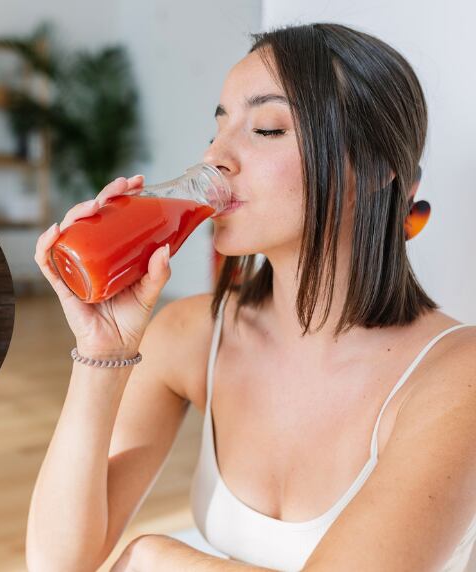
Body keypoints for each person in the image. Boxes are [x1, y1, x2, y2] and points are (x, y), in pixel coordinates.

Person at [26, 22, 476, 572]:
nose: (216, 156)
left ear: (377, 169)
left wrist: (154, 557)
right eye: (217, 128)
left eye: (265, 129)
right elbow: (57, 562)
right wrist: (100, 352)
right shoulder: (194, 334)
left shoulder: (457, 375)